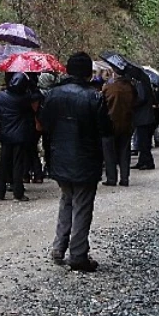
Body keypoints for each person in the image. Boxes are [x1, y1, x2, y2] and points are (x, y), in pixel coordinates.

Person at [40, 52, 109, 272]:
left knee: (66, 200)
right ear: (89, 73)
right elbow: (106, 129)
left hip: (59, 156)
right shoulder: (95, 97)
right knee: (82, 205)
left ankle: (59, 247)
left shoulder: (52, 95)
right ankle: (78, 254)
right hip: (85, 158)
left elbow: (44, 124)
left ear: (68, 71)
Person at [0, 73, 37, 201]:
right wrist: (32, 83)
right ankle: (18, 193)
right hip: (20, 135)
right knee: (18, 164)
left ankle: (0, 192)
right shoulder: (25, 98)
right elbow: (38, 96)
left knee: (4, 163)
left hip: (5, 134)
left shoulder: (0, 97)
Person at [100, 72, 135, 186]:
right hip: (126, 122)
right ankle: (125, 178)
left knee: (109, 153)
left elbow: (102, 103)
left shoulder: (109, 88)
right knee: (125, 152)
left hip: (110, 123)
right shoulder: (130, 88)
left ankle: (111, 178)